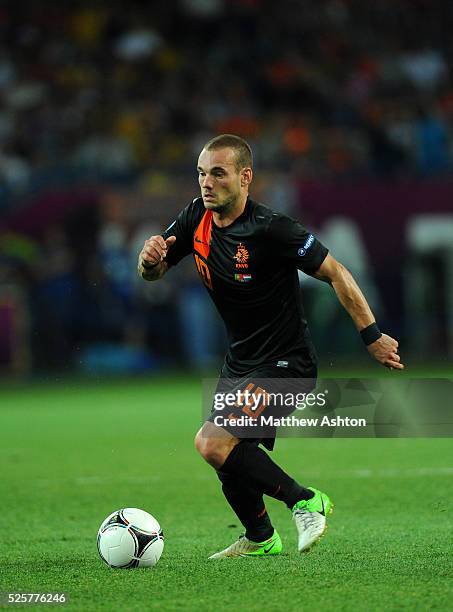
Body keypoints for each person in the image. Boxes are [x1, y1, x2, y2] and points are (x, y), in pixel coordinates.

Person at [138, 134, 404, 559]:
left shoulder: (273, 229)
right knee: (226, 456)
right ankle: (261, 537)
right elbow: (152, 273)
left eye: (218, 174)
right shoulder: (195, 218)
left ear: (245, 178)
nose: (207, 183)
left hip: (287, 364)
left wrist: (371, 336)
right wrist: (148, 260)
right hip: (239, 363)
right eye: (202, 174)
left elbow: (337, 272)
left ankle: (305, 500)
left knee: (212, 441)